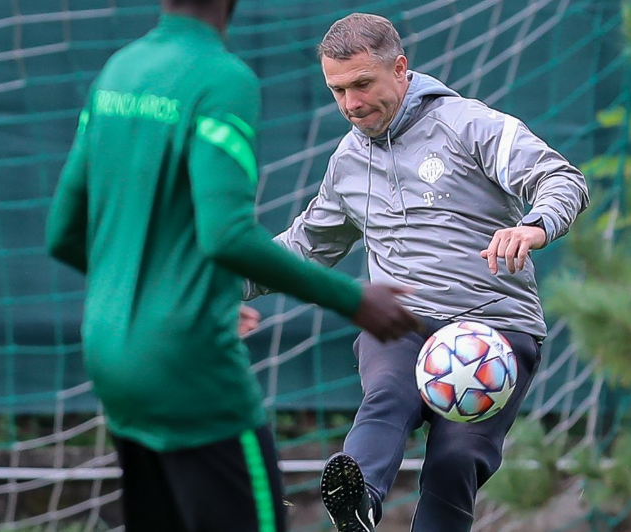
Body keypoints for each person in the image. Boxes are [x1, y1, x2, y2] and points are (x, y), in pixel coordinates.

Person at [45, 1, 420, 530]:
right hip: (186, 362)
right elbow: (226, 235)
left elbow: (62, 233)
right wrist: (353, 299)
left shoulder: (120, 70)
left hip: (111, 356)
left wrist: (188, 296)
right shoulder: (222, 78)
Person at [243, 12, 589, 532]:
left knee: (455, 461)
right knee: (388, 395)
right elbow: (304, 247)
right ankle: (356, 501)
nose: (351, 104)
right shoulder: (347, 161)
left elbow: (561, 178)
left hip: (493, 328)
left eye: (362, 84)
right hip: (402, 321)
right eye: (338, 91)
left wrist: (534, 227)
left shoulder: (470, 125)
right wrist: (216, 281)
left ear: (401, 69)